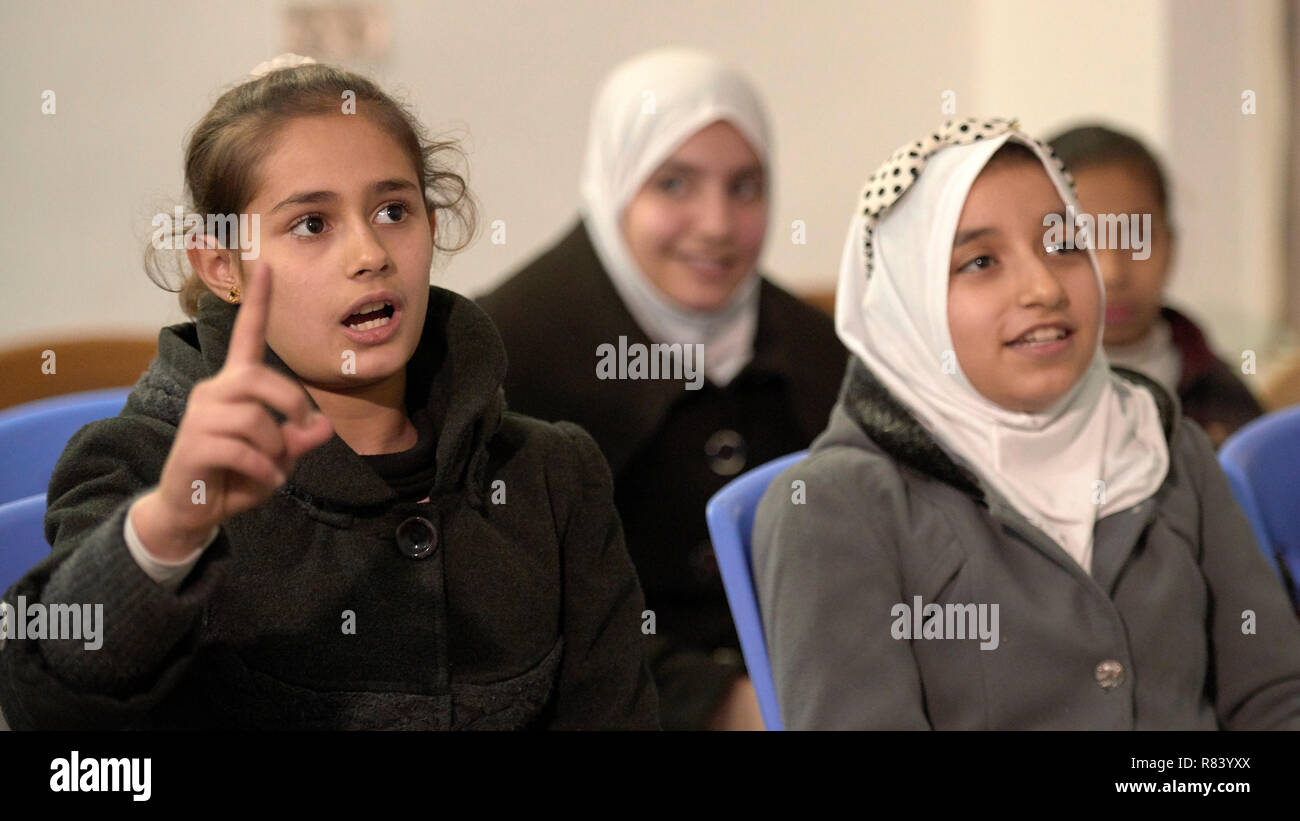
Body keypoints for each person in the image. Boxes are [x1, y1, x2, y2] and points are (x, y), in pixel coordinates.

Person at [0, 57, 657, 730]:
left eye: (393, 210)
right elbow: (47, 714)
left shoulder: (552, 475)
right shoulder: (138, 463)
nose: (370, 252)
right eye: (312, 224)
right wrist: (169, 527)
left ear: (432, 227)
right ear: (221, 265)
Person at [752, 117, 1300, 729]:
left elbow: (1274, 697)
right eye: (981, 261)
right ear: (907, 305)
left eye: (1065, 244)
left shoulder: (1159, 440)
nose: (1043, 286)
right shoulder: (835, 509)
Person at [477, 48, 846, 730]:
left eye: (744, 187)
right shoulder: (505, 354)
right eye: (674, 184)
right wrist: (715, 703)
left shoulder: (819, 350)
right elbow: (500, 604)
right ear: (617, 182)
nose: (716, 224)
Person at [1048, 124, 1264, 447]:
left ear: (1171, 245)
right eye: (1076, 243)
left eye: (1139, 237)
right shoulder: (1005, 397)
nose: (1112, 272)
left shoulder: (1222, 402)